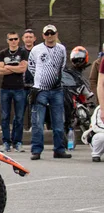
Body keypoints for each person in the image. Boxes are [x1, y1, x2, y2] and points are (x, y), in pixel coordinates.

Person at [27, 24, 71, 160]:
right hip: (40, 90)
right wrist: (41, 79)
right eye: (47, 34)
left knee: (58, 122)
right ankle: (36, 150)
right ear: (43, 35)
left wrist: (54, 78)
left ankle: (59, 149)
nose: (50, 36)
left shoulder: (61, 49)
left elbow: (62, 66)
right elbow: (31, 66)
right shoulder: (36, 49)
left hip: (56, 90)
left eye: (52, 33)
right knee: (38, 122)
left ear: (56, 34)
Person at [0, 31, 28, 152]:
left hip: (19, 88)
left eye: (15, 39)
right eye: (11, 39)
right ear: (7, 41)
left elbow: (23, 68)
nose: (13, 41)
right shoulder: (2, 53)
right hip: (5, 88)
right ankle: (6, 142)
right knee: (5, 116)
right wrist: (15, 68)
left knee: (19, 117)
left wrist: (8, 67)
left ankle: (18, 142)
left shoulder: (23, 52)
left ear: (18, 40)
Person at [22, 29, 37, 130]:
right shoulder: (19, 52)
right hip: (21, 86)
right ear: (23, 39)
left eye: (30, 37)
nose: (28, 39)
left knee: (35, 109)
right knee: (20, 110)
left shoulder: (38, 51)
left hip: (35, 85)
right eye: (26, 37)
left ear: (34, 39)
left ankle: (34, 127)